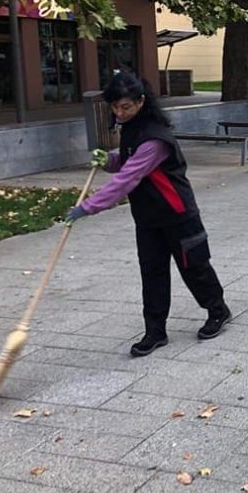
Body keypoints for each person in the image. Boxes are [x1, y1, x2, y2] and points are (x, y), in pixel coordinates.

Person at [65, 72, 231, 357]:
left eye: (125, 106)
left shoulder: (155, 137)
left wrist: (87, 207)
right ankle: (155, 331)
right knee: (152, 273)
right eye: (115, 107)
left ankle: (218, 310)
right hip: (148, 218)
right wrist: (109, 160)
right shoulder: (131, 128)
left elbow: (128, 178)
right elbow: (126, 163)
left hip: (178, 214)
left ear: (141, 101)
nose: (119, 112)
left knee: (195, 268)